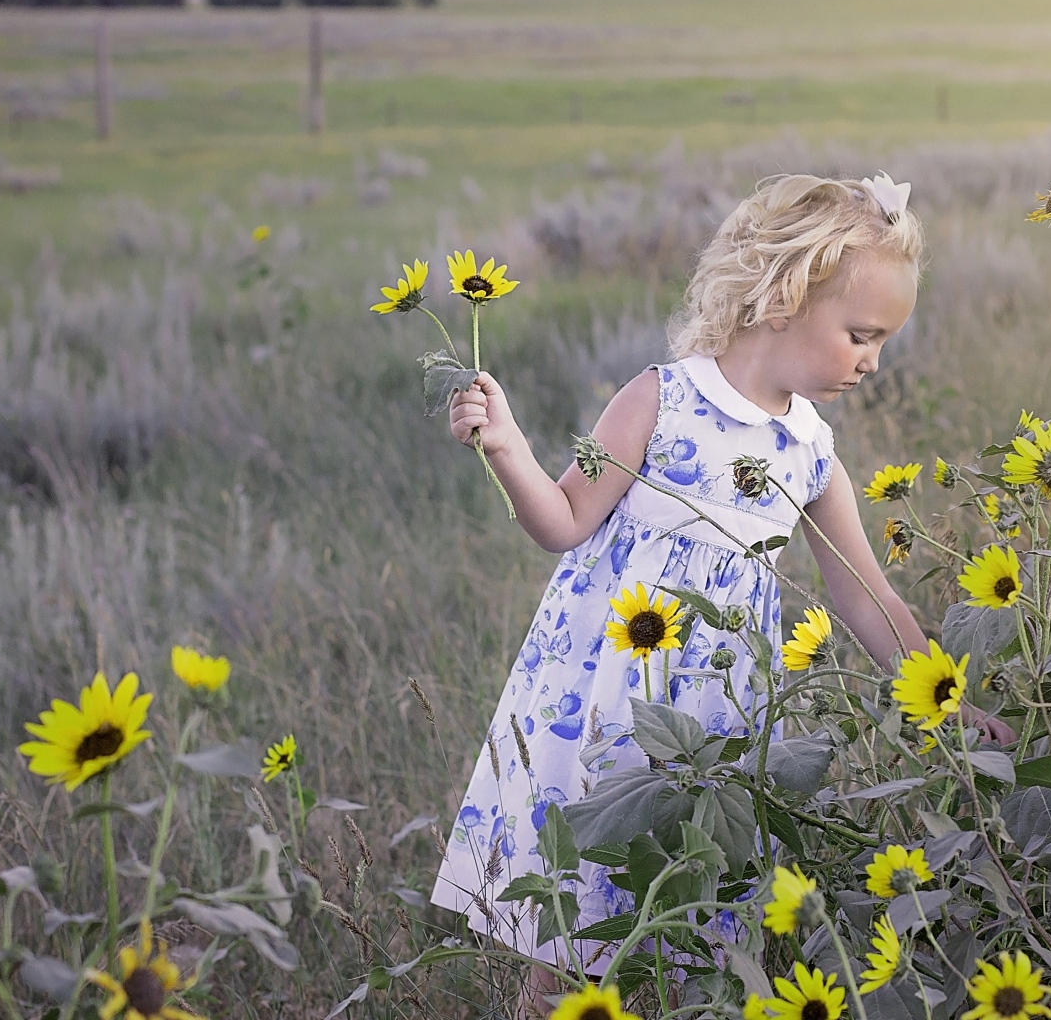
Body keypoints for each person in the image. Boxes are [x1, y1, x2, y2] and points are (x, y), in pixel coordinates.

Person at [429, 173, 1011, 1013]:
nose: (873, 362)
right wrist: (508, 446)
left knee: (693, 916)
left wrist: (942, 694)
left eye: (882, 342)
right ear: (783, 296)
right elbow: (562, 518)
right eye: (860, 334)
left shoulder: (811, 450)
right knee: (579, 921)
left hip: (719, 725)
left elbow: (865, 594)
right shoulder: (658, 400)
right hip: (606, 704)